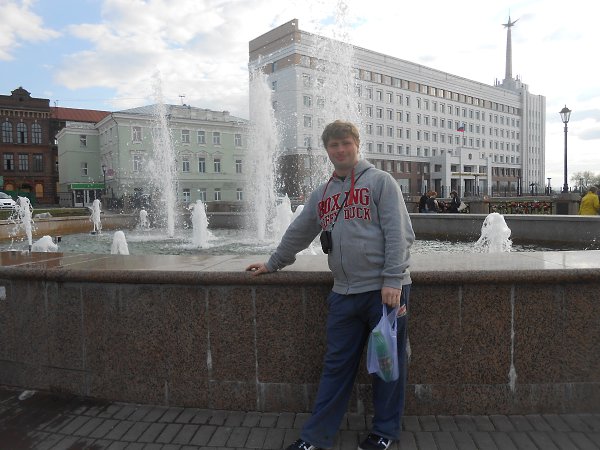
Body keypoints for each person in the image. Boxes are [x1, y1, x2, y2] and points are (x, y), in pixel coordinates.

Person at [246, 120, 415, 450]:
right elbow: (299, 231)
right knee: (336, 367)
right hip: (343, 293)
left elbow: (400, 234)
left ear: (357, 144)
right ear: (327, 150)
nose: (340, 150)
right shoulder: (322, 193)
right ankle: (315, 437)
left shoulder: (381, 182)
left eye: (345, 143)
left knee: (386, 366)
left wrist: (393, 279)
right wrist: (272, 263)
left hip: (384, 293)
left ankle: (385, 431)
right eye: (333, 145)